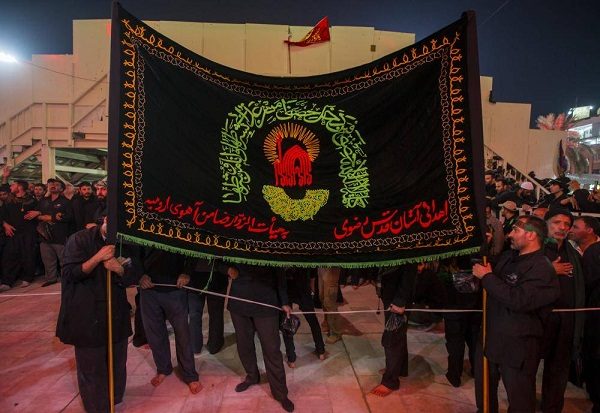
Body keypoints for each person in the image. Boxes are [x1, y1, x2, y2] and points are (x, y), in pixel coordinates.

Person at [472, 215, 560, 413]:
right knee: (485, 395)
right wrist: (483, 247)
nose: (510, 235)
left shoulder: (542, 268)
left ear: (531, 235)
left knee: (520, 400)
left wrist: (487, 277)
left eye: (515, 230)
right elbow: (488, 270)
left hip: (518, 347)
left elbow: (519, 300)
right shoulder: (509, 257)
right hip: (491, 337)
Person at [56, 216, 142, 413]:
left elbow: (134, 275)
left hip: (116, 313)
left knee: (117, 362)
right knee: (92, 367)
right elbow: (69, 274)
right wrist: (97, 258)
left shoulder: (125, 243)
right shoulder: (80, 239)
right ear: (105, 220)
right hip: (87, 315)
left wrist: (119, 269)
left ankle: (115, 399)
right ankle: (97, 408)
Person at [226, 263, 294, 412]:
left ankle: (280, 393)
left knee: (272, 349)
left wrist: (284, 301)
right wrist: (226, 269)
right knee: (244, 345)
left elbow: (280, 271)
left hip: (266, 300)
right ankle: (252, 376)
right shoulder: (233, 244)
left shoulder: (272, 247)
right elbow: (215, 258)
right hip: (239, 300)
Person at [138, 249, 202, 394]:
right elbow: (133, 253)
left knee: (183, 334)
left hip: (175, 287)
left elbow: (194, 247)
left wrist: (187, 272)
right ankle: (163, 368)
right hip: (148, 288)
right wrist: (139, 275)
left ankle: (189, 374)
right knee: (155, 334)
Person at [541, 208, 585, 413]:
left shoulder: (573, 254)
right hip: (538, 320)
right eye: (557, 222)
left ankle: (551, 408)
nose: (562, 227)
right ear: (546, 224)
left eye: (567, 224)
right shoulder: (534, 249)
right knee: (527, 368)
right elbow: (518, 276)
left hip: (566, 321)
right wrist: (548, 270)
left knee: (558, 370)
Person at [370, 264, 417, 397]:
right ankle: (400, 369)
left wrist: (400, 300)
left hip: (398, 295)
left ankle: (390, 381)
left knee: (393, 335)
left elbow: (410, 268)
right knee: (398, 332)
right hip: (391, 291)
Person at [569, 216, 600, 411]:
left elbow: (587, 283)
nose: (570, 229)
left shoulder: (594, 253)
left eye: (575, 226)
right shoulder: (576, 250)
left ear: (589, 230)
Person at [278, 267, 326, 367]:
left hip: (286, 288)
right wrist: (312, 290)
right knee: (312, 320)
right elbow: (313, 272)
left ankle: (291, 359)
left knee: (287, 322)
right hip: (303, 286)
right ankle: (321, 350)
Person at [0, 179, 39, 291]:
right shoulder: (9, 200)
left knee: (28, 255)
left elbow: (41, 210)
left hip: (28, 232)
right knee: (9, 256)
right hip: (12, 232)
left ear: (20, 187)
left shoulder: (32, 200)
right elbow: (1, 215)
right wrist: (5, 225)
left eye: (13, 185)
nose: (11, 187)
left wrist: (38, 212)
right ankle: (7, 281)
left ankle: (27, 277)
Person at [188, 258, 226, 355]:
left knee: (209, 314)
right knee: (198, 315)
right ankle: (204, 345)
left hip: (214, 275)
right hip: (199, 275)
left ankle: (207, 345)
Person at [318, 266, 343, 344]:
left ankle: (336, 332)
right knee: (322, 296)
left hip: (332, 265)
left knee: (329, 301)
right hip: (321, 264)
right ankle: (327, 323)